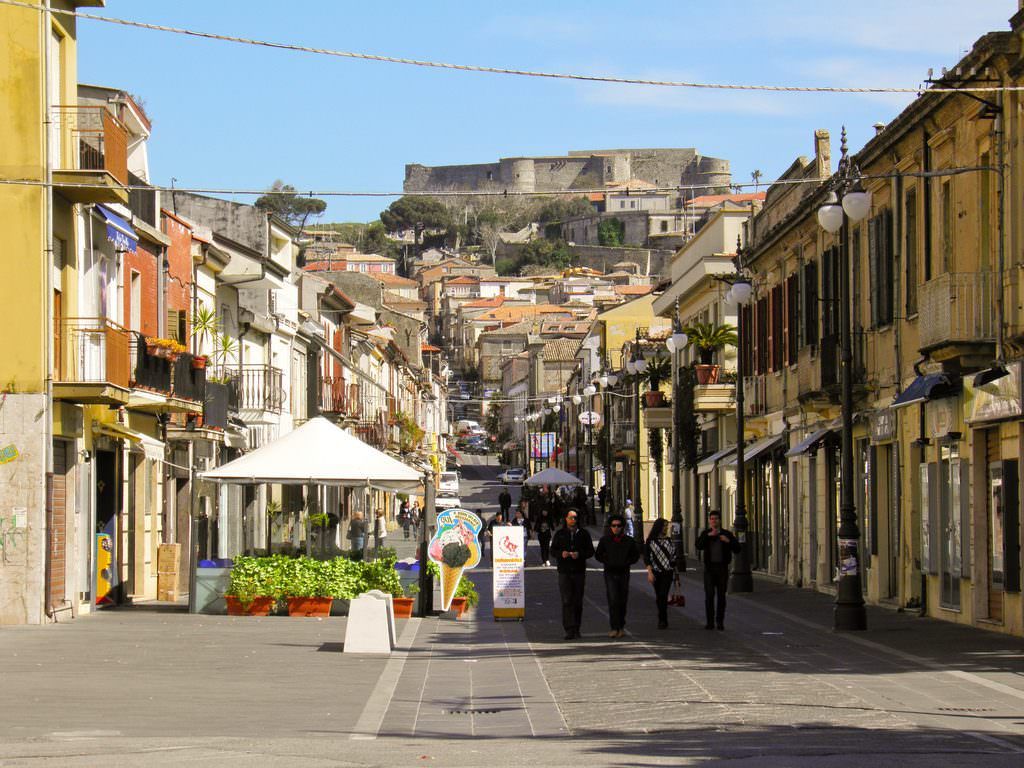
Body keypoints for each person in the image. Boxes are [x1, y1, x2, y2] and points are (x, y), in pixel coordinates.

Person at [595, 514, 641, 638]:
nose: (616, 528)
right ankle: (614, 627)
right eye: (613, 526)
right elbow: (598, 555)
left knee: (622, 600)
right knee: (613, 599)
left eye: (618, 526)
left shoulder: (629, 541)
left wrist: (627, 562)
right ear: (610, 527)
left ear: (623, 527)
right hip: (610, 573)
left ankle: (621, 626)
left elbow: (635, 555)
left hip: (624, 572)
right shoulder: (605, 540)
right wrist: (607, 561)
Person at [550, 509, 594, 640]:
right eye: (570, 517)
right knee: (567, 600)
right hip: (564, 572)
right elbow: (553, 550)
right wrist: (561, 554)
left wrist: (580, 554)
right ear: (566, 519)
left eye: (575, 518)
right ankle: (569, 629)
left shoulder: (584, 534)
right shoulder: (560, 534)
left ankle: (577, 628)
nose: (573, 520)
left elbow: (590, 551)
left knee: (578, 601)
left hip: (579, 571)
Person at [695, 511, 741, 630]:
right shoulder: (706, 533)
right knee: (709, 595)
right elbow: (698, 545)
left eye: (716, 519)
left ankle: (720, 621)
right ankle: (710, 622)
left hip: (722, 568)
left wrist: (728, 541)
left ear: (720, 520)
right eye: (712, 519)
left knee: (721, 596)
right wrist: (708, 536)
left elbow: (737, 549)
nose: (714, 521)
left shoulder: (727, 534)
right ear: (709, 521)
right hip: (709, 569)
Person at [644, 518, 677, 629]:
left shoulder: (669, 541)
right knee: (659, 596)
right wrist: (649, 572)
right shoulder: (651, 541)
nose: (666, 528)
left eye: (667, 526)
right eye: (664, 526)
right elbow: (647, 558)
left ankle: (662, 619)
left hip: (667, 572)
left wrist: (676, 576)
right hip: (656, 572)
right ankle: (662, 616)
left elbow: (673, 558)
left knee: (663, 594)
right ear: (658, 527)